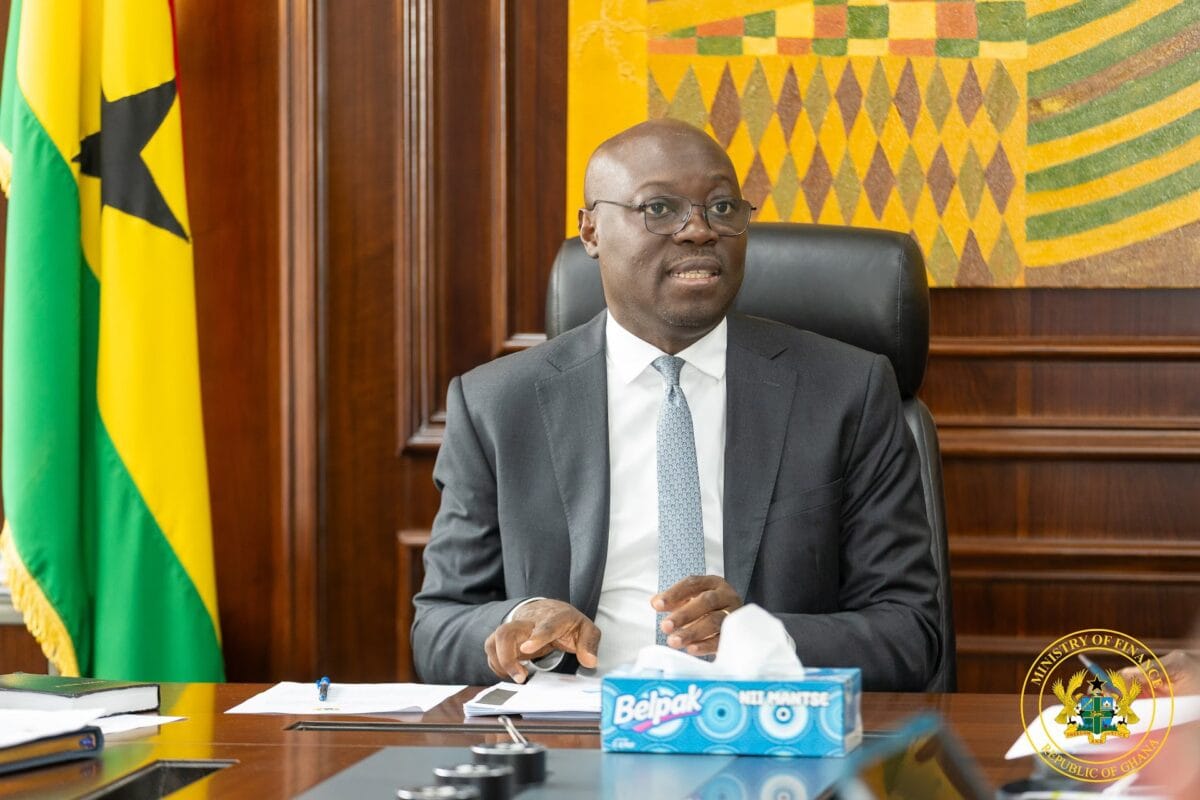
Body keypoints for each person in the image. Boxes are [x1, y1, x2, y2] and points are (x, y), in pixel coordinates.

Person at [412, 119, 940, 691]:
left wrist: (762, 640)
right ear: (591, 231)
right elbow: (438, 628)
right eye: (659, 209)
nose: (699, 231)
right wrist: (519, 622)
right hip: (577, 724)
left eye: (722, 208)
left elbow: (910, 632)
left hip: (763, 723)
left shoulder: (845, 391)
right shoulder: (497, 405)